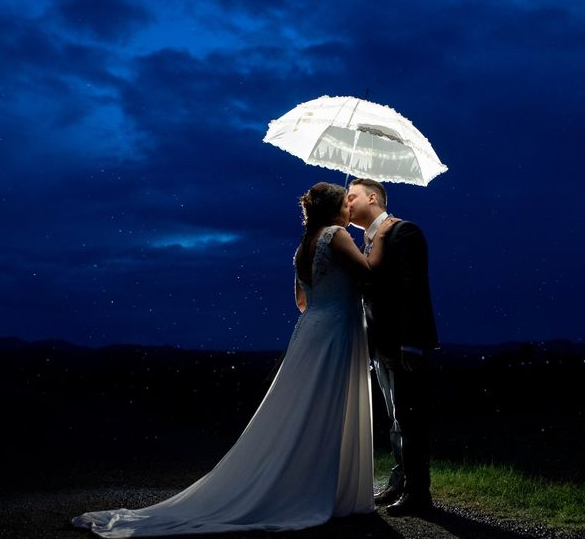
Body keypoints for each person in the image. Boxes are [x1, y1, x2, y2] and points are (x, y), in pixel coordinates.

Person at [71, 182, 396, 537]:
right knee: (327, 406)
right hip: (335, 330)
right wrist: (379, 240)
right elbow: (369, 273)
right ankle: (319, 489)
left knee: (307, 406)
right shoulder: (335, 235)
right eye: (346, 203)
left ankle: (311, 481)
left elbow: (302, 302)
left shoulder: (304, 245)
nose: (351, 208)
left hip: (311, 328)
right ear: (335, 210)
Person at [346, 178, 438, 516]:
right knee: (396, 416)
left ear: (373, 198)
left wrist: (412, 344)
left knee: (410, 417)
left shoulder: (404, 232)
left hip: (404, 344)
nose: (347, 203)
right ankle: (400, 481)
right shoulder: (369, 241)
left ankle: (419, 493)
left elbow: (414, 291)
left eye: (352, 197)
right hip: (381, 346)